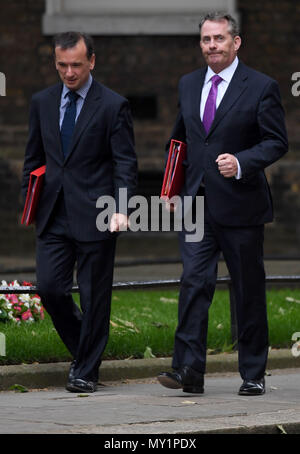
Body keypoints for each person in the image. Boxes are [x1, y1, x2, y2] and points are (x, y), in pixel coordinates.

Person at [157, 12, 288, 395]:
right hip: (196, 204)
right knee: (193, 283)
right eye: (205, 39)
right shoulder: (188, 84)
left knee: (247, 289)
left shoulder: (261, 86)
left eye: (218, 38)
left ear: (236, 42)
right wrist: (170, 189)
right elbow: (179, 141)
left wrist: (242, 162)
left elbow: (276, 141)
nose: (211, 45)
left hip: (241, 206)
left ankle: (252, 373)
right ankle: (188, 371)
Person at [22, 32, 137, 393]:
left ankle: (85, 371)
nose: (69, 72)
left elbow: (125, 162)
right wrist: (29, 201)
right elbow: (33, 159)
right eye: (62, 65)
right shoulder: (42, 102)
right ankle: (84, 352)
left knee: (94, 296)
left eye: (76, 64)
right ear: (55, 62)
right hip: (53, 213)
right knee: (50, 288)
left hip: (99, 213)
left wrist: (122, 207)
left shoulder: (113, 105)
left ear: (91, 61)